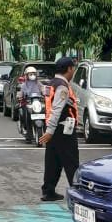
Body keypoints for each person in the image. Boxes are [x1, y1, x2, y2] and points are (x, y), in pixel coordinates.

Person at [39, 57, 80, 202]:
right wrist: (50, 131)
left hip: (54, 127)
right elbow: (56, 109)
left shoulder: (51, 83)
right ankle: (77, 194)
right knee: (71, 161)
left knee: (53, 161)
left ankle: (48, 191)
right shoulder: (62, 86)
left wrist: (49, 129)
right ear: (69, 69)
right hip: (63, 128)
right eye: (73, 68)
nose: (73, 70)